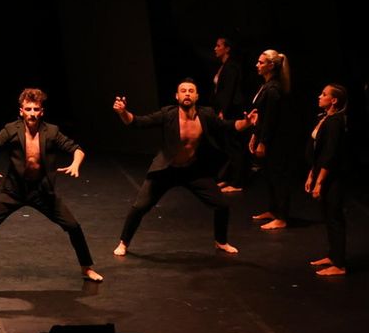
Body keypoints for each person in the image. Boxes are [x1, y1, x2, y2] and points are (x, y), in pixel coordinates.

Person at [0, 88, 102, 283]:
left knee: (73, 226)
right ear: (21, 111)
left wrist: (75, 164)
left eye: (36, 109)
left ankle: (86, 268)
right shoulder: (12, 129)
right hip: (14, 190)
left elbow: (77, 149)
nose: (32, 113)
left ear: (42, 111)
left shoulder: (51, 131)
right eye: (28, 109)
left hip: (42, 191)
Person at [111, 79, 255, 257]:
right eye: (183, 91)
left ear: (197, 96)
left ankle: (221, 241)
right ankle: (123, 242)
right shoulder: (167, 114)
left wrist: (246, 123)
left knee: (222, 205)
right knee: (139, 207)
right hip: (167, 170)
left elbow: (229, 126)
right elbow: (138, 122)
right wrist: (123, 112)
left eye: (191, 91)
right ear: (177, 96)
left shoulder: (206, 115)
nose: (187, 93)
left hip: (192, 170)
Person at [306, 84, 350, 276]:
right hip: (322, 173)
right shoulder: (325, 118)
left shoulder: (335, 122)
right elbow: (318, 150)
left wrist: (320, 182)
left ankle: (339, 265)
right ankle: (333, 256)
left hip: (333, 177)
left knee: (335, 218)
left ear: (334, 100)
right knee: (328, 216)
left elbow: (330, 155)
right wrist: (311, 174)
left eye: (324, 94)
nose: (319, 96)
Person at [249, 49, 292, 230]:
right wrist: (254, 135)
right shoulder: (266, 86)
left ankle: (282, 217)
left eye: (261, 62)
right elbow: (261, 115)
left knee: (277, 176)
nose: (257, 65)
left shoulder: (274, 89)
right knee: (269, 175)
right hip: (267, 137)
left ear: (271, 65)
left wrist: (263, 141)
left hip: (275, 141)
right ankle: (274, 210)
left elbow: (270, 119)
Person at [211, 37, 247, 193]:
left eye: (218, 45)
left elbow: (229, 91)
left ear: (227, 49)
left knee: (234, 145)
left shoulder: (231, 67)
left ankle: (237, 182)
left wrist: (223, 112)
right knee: (228, 146)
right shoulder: (223, 66)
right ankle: (229, 178)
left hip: (231, 112)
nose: (215, 48)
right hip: (225, 110)